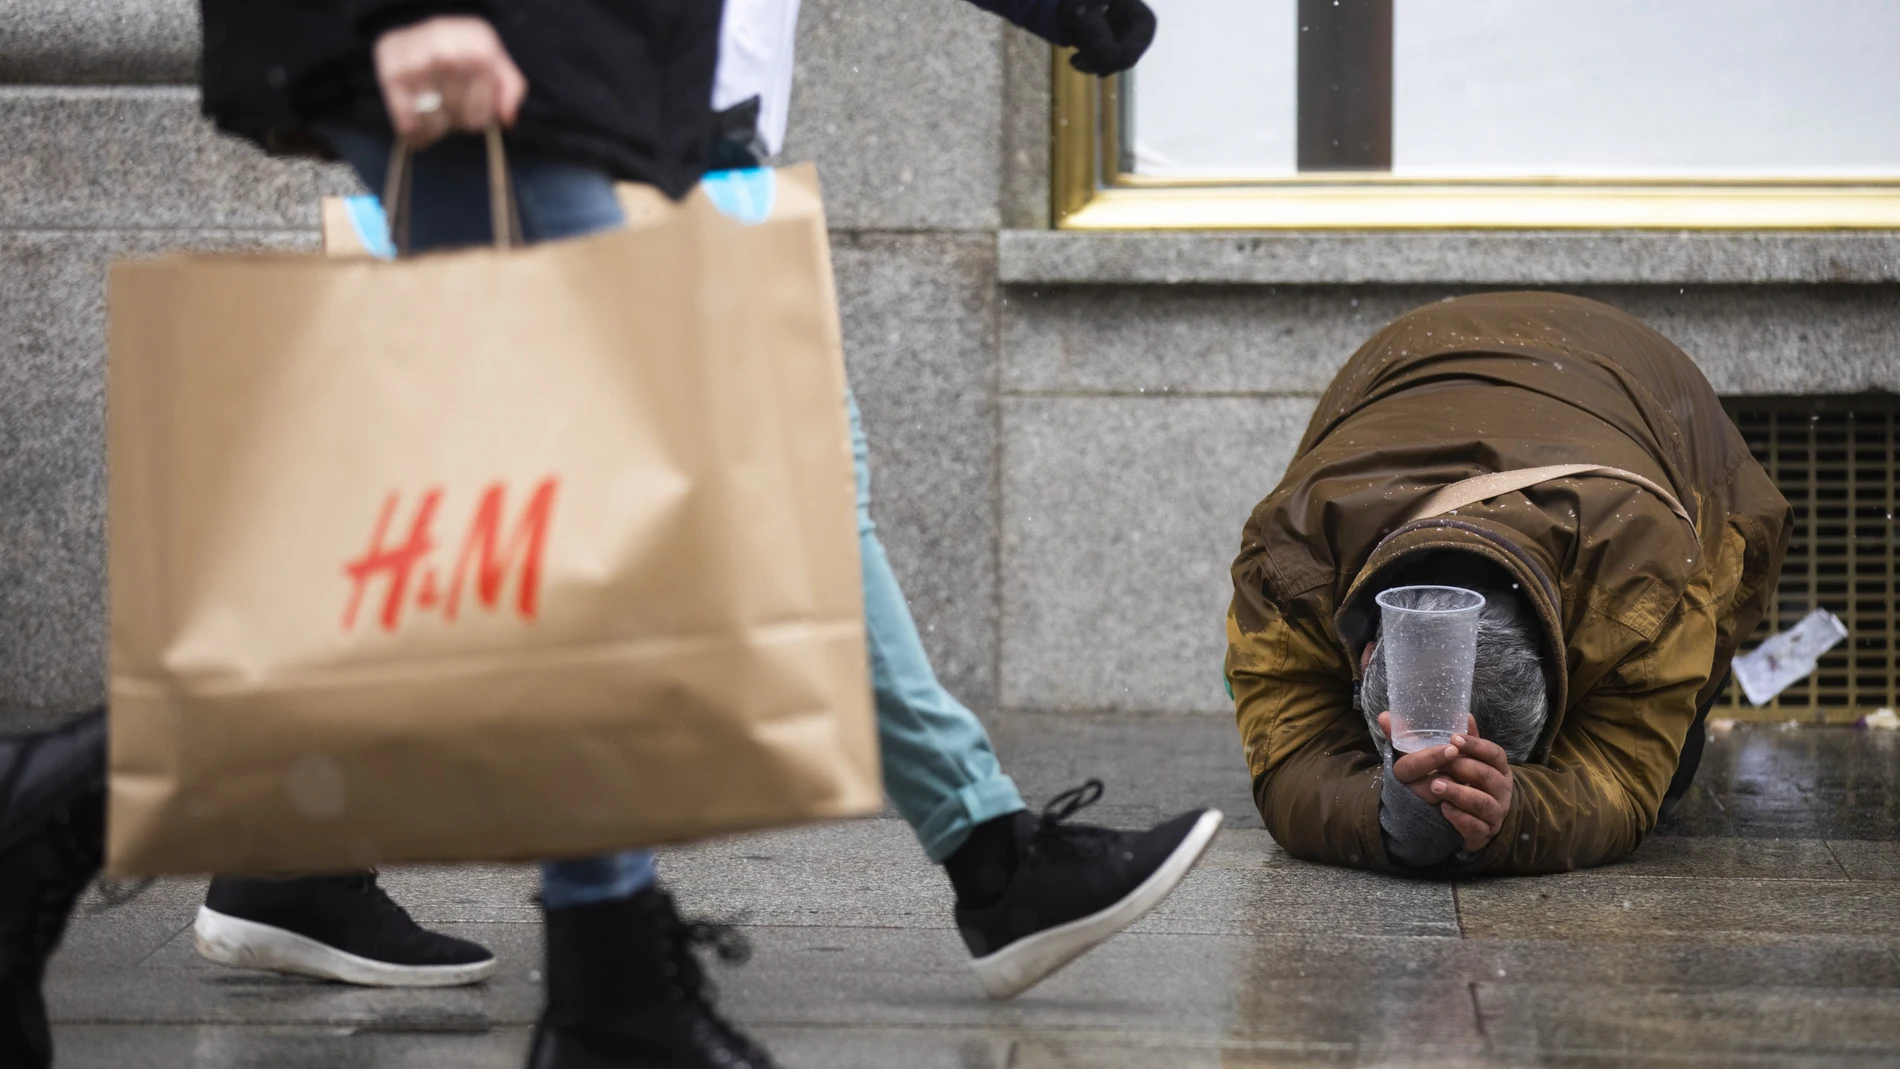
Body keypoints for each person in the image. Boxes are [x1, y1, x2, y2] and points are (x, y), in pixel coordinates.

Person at [2, 2, 1203, 1067]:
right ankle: (614, 978)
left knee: (579, 513)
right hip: (505, 48)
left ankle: (592, 971)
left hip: (590, 65)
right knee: (606, 495)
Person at [1225, 291, 1790, 876]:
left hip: (1643, 381)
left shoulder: (1646, 583)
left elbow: (1622, 783)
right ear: (1366, 657)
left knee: (1669, 769)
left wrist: (1513, 811)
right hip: (1412, 358)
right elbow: (1287, 755)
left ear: (1568, 672)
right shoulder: (1292, 560)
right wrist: (1392, 810)